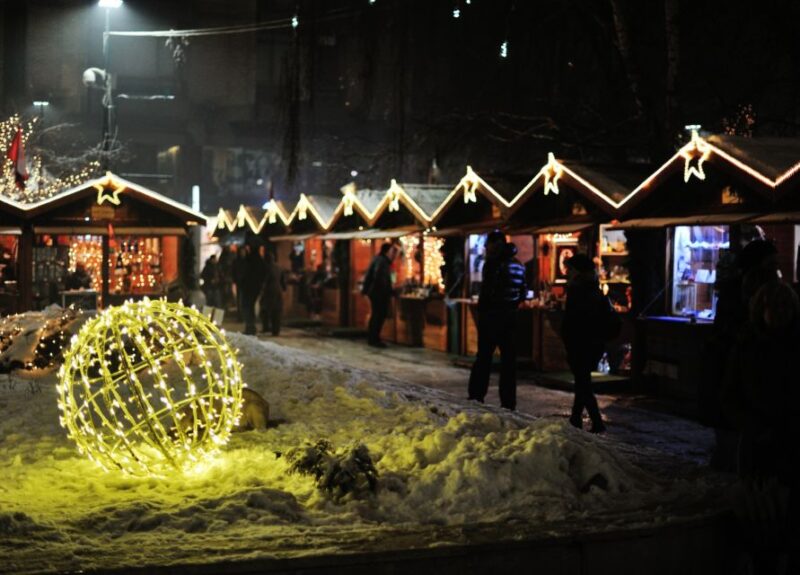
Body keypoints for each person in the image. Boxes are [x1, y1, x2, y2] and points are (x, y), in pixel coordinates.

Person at [467, 231, 526, 410]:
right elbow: (523, 292)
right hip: (511, 318)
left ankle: (476, 395)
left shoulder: (493, 264)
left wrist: (483, 310)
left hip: (492, 317)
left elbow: (488, 292)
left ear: (496, 244)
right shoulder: (519, 265)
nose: (486, 248)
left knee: (484, 358)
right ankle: (508, 402)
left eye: (488, 244)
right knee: (508, 362)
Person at [561, 253, 617, 433]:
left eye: (570, 269)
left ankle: (597, 422)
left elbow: (574, 320)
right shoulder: (594, 289)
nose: (567, 272)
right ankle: (575, 418)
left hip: (581, 343)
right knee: (582, 381)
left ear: (577, 272)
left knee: (583, 384)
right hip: (592, 343)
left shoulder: (579, 290)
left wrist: (568, 338)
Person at [362, 243, 397, 348]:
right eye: (392, 251)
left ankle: (373, 338)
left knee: (376, 315)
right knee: (379, 315)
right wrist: (389, 291)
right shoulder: (382, 261)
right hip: (379, 293)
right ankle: (374, 339)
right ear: (387, 251)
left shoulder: (379, 259)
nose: (393, 254)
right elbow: (379, 278)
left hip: (375, 292)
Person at [240, 245, 266, 335]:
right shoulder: (260, 261)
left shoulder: (249, 260)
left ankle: (250, 327)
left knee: (247, 307)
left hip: (248, 288)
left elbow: (245, 274)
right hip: (255, 287)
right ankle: (251, 327)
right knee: (250, 307)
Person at [260, 250, 286, 336]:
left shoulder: (266, 268)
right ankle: (276, 330)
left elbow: (264, 280)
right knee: (276, 311)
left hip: (269, 291)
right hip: (278, 291)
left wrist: (262, 290)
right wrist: (283, 288)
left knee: (265, 310)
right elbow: (283, 281)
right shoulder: (279, 267)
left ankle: (266, 327)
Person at [232, 246, 248, 321]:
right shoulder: (236, 261)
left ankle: (244, 316)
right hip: (239, 283)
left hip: (245, 284)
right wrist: (235, 280)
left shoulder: (247, 261)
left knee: (245, 300)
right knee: (239, 300)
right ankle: (240, 316)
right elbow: (234, 271)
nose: (243, 253)